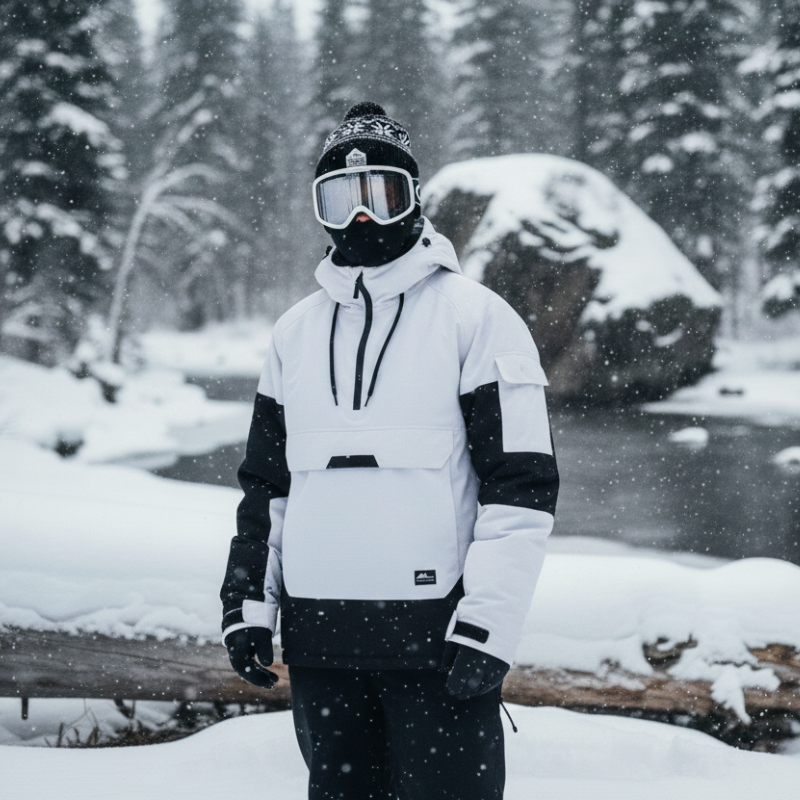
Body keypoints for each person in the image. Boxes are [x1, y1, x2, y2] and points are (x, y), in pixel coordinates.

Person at [220, 101, 559, 800]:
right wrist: (249, 605)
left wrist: (488, 626)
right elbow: (267, 488)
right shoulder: (293, 334)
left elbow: (521, 489)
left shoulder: (478, 319)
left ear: (414, 199)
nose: (361, 217)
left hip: (438, 643)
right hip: (321, 645)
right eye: (340, 199)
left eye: (381, 194)